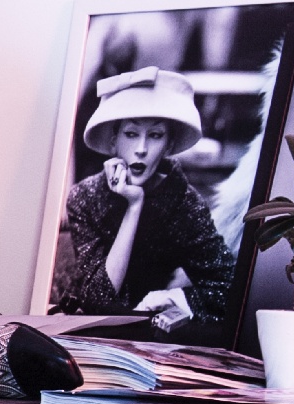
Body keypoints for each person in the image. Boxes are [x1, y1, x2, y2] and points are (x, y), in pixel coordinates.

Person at [47, 67, 236, 333]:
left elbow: (229, 289)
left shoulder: (183, 203)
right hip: (83, 332)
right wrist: (133, 207)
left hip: (153, 338)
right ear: (113, 141)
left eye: (155, 135)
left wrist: (174, 298)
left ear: (169, 145)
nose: (141, 149)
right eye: (131, 134)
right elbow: (100, 301)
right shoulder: (85, 197)